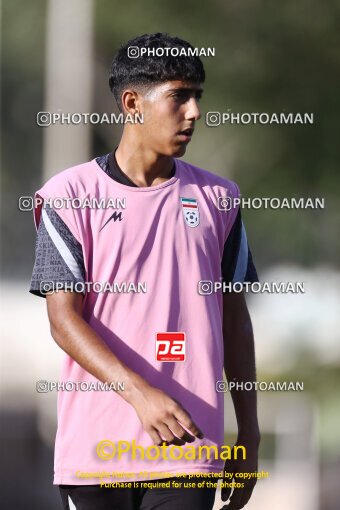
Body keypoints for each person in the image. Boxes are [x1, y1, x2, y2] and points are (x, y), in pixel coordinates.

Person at [30, 32, 260, 510]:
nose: (194, 112)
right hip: (96, 453)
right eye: (179, 96)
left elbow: (235, 321)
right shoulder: (68, 196)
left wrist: (250, 435)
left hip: (189, 449)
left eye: (197, 97)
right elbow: (63, 320)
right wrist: (141, 395)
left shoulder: (221, 200)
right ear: (132, 102)